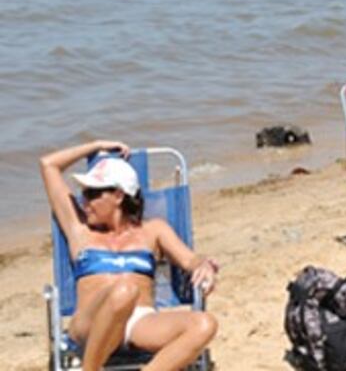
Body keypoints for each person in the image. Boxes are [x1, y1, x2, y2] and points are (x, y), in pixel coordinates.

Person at [40, 141, 218, 370]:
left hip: (140, 322)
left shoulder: (153, 230)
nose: (84, 201)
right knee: (124, 292)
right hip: (90, 323)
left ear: (118, 195)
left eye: (93, 193)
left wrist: (203, 264)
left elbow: (190, 260)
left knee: (205, 324)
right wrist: (97, 145)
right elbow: (48, 165)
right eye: (84, 193)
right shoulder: (79, 230)